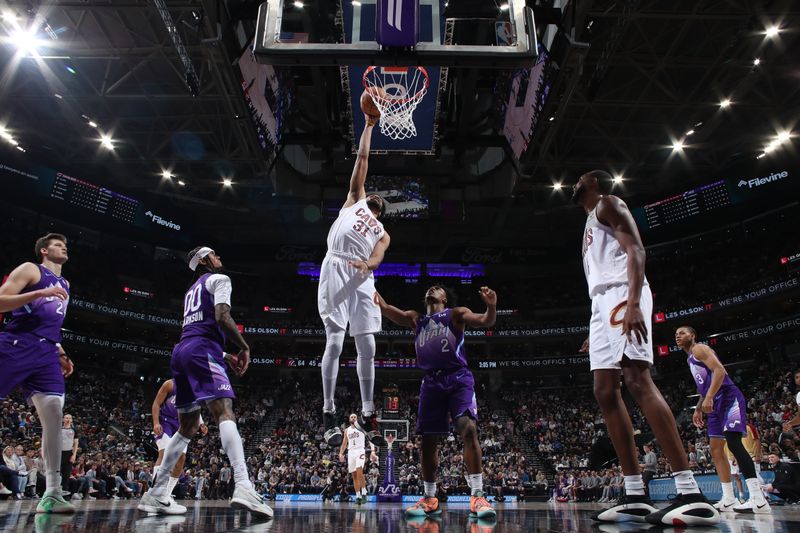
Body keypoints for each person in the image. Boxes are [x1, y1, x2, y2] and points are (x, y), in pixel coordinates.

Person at [571, 172, 718, 526]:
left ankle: (690, 491)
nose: (576, 182)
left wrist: (634, 302)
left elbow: (636, 249)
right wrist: (600, 328)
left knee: (637, 379)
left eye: (582, 178)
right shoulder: (590, 222)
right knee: (605, 391)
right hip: (602, 304)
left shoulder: (609, 203)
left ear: (596, 183)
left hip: (624, 292)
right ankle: (635, 492)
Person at [138, 247, 272, 518]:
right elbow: (223, 317)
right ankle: (244, 485)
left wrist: (225, 354)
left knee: (187, 427)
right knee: (224, 411)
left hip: (183, 352)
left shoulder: (191, 291)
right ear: (204, 260)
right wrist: (243, 346)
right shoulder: (220, 280)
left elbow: (196, 331)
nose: (221, 258)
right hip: (201, 350)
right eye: (216, 255)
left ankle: (156, 492)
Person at [375, 285, 498, 520]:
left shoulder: (455, 314)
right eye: (430, 287)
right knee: (428, 441)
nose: (433, 288)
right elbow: (384, 307)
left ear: (444, 297)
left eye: (439, 288)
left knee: (468, 428)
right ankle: (430, 498)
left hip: (458, 377)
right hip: (431, 382)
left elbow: (485, 320)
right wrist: (367, 280)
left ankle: (478, 495)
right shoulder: (416, 319)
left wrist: (491, 306)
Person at [318, 114, 391, 448]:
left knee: (368, 345)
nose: (373, 198)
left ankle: (367, 411)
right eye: (371, 195)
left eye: (378, 202)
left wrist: (368, 264)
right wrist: (369, 125)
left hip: (363, 275)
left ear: (381, 211)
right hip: (337, 264)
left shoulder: (383, 233)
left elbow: (377, 258)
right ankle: (329, 411)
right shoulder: (354, 199)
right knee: (334, 342)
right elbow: (362, 158)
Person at [0, 233, 75, 514]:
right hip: (18, 344)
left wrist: (61, 353)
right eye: (57, 244)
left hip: (46, 354)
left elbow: (50, 324)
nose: (63, 247)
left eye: (65, 244)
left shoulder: (66, 284)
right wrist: (37, 293)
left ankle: (53, 491)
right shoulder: (31, 270)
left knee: (55, 415)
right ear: (44, 250)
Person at [676, 326, 771, 513]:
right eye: (676, 334)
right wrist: (698, 407)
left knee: (734, 443)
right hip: (714, 404)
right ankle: (729, 498)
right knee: (715, 448)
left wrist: (710, 397)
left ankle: (759, 500)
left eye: (682, 333)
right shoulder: (690, 357)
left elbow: (720, 372)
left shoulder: (699, 349)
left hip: (728, 398)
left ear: (693, 335)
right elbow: (706, 383)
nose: (678, 336)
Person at [151, 378, 208, 500]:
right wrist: (156, 423)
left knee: (181, 458)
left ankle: (166, 495)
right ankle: (154, 493)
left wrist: (201, 424)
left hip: (182, 424)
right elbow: (156, 403)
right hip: (165, 421)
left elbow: (196, 409)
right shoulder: (170, 384)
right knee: (164, 452)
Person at [339, 413, 378, 504]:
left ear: (357, 419)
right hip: (351, 452)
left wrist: (373, 451)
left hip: (360, 450)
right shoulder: (346, 430)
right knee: (354, 475)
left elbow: (370, 438)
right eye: (351, 417)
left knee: (359, 470)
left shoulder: (362, 427)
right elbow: (344, 443)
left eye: (355, 417)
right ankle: (358, 496)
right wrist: (341, 453)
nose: (353, 418)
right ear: (349, 419)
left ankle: (364, 493)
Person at [60, 414, 78, 493]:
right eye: (66, 418)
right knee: (57, 473)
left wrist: (74, 455)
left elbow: (76, 444)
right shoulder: (59, 429)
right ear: (63, 419)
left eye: (69, 418)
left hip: (68, 453)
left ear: (71, 420)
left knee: (66, 474)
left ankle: (64, 490)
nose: (68, 419)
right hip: (59, 453)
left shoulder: (74, 430)